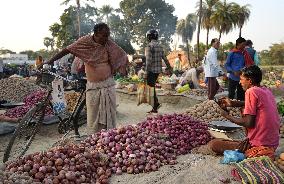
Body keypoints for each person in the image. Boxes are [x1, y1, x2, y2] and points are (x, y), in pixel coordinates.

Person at [45, 23, 128, 133]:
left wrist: (122, 67)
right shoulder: (85, 41)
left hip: (108, 85)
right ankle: (94, 139)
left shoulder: (109, 44)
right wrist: (49, 61)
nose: (105, 38)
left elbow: (121, 54)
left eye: (107, 35)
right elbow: (67, 49)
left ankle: (109, 137)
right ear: (95, 34)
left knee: (110, 117)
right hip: (93, 86)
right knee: (93, 116)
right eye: (103, 35)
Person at [209, 65, 280, 159]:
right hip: (272, 144)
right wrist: (232, 103)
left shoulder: (251, 91)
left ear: (250, 81)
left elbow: (248, 122)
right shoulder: (266, 90)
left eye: (242, 79)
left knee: (214, 144)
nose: (240, 82)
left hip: (260, 146)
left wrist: (227, 116)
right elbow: (254, 105)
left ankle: (253, 148)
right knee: (225, 140)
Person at [144, 29, 173, 113]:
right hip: (157, 71)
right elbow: (165, 58)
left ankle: (155, 105)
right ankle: (155, 106)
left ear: (149, 37)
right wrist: (169, 67)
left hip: (151, 71)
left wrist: (146, 72)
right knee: (152, 88)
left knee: (150, 89)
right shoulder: (160, 46)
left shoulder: (149, 46)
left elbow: (148, 61)